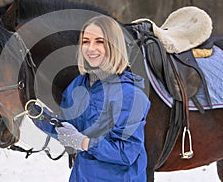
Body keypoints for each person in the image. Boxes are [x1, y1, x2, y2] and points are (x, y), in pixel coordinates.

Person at [32, 15, 150, 181]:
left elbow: (126, 153)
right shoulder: (77, 85)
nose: (90, 48)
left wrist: (84, 143)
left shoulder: (130, 95)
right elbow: (66, 129)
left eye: (99, 42)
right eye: (86, 41)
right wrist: (36, 114)